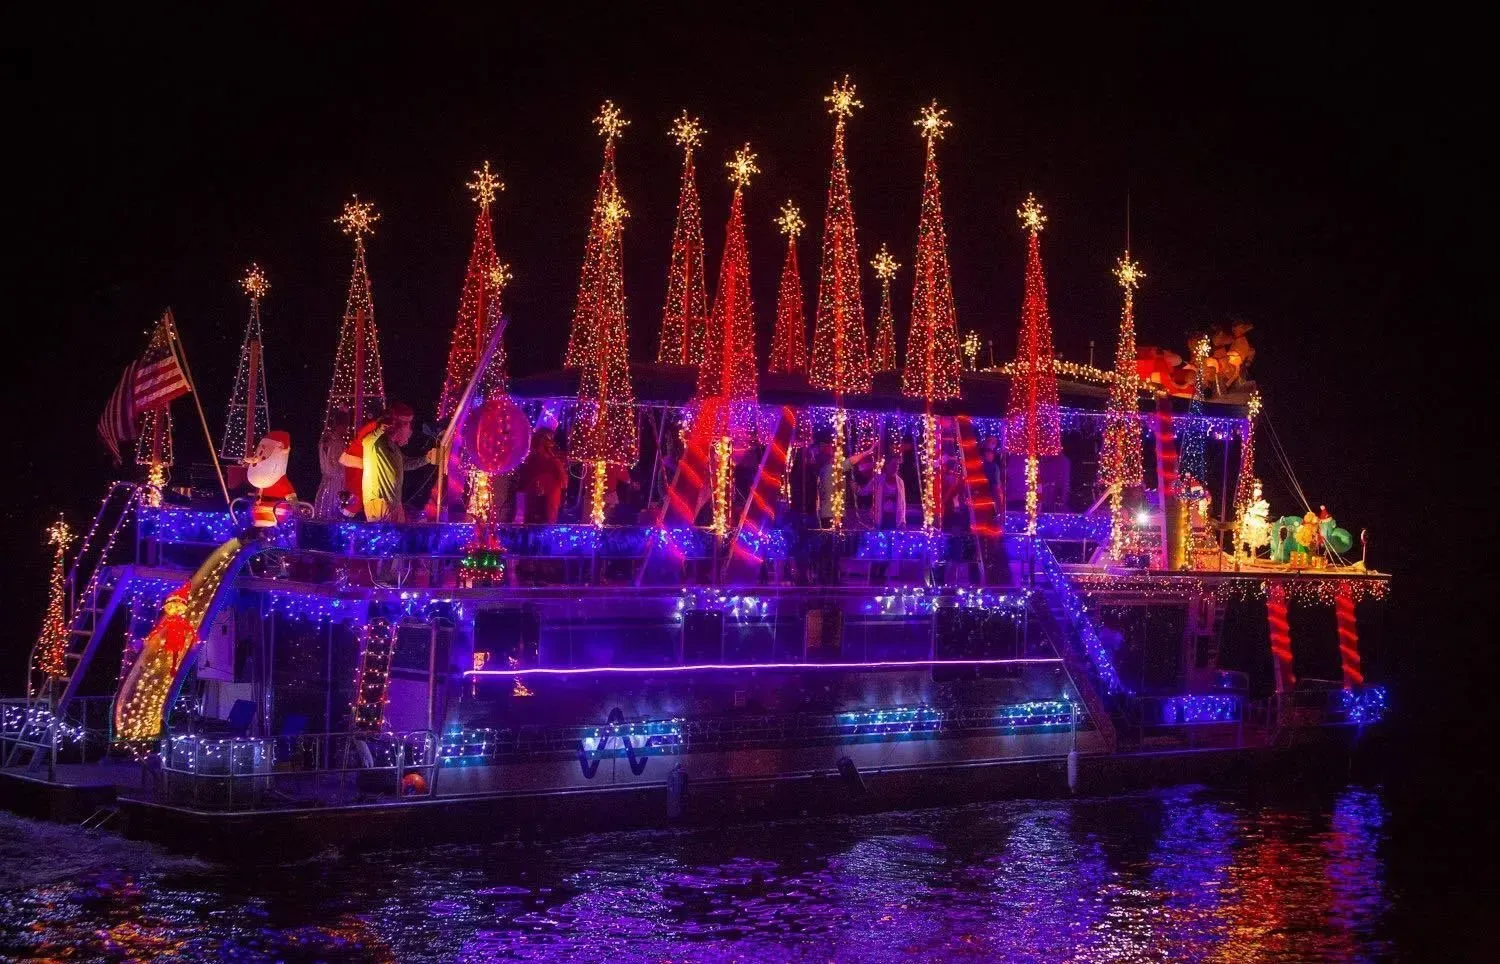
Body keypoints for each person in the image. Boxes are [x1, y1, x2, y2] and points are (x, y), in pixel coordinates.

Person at [361, 404, 432, 523]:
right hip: (379, 502)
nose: (409, 430)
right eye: (406, 424)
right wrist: (380, 430)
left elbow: (406, 464)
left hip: (395, 504)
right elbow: (366, 441)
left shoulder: (394, 447)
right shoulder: (376, 443)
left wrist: (426, 459)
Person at [512, 428, 567, 524]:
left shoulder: (549, 463)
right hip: (538, 509)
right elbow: (564, 484)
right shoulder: (535, 462)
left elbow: (521, 490)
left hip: (543, 509)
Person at [314, 411, 351, 519]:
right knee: (327, 510)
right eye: (345, 426)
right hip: (331, 482)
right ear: (340, 425)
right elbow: (331, 463)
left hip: (338, 481)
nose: (346, 430)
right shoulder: (329, 440)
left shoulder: (337, 440)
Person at [860, 454, 907, 530]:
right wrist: (856, 488)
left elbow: (902, 503)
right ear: (887, 465)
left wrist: (903, 521)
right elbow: (865, 491)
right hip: (882, 516)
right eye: (893, 465)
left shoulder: (900, 482)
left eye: (897, 464)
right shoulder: (878, 479)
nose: (896, 467)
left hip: (895, 517)